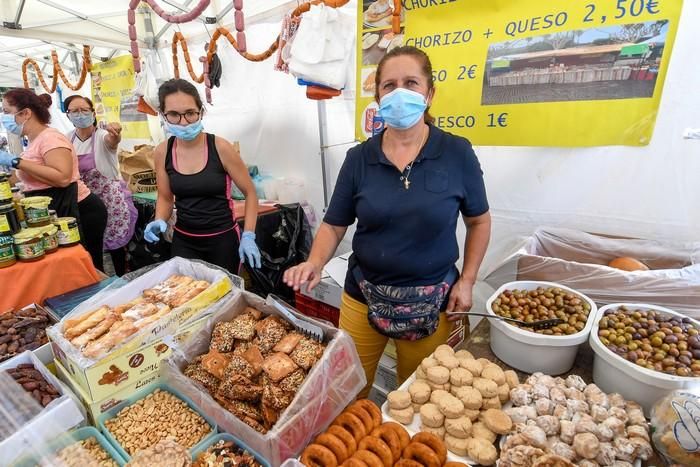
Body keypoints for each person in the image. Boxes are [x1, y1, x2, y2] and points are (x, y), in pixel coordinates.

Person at [284, 46, 492, 397]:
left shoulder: (457, 153)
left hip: (433, 301)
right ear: (378, 95)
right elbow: (335, 224)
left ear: (430, 93)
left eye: (411, 83)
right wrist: (314, 262)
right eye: (389, 85)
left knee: (420, 398)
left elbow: (479, 222)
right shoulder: (359, 159)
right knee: (347, 392)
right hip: (363, 295)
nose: (400, 93)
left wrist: (468, 280)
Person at [144, 78, 262, 273]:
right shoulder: (162, 152)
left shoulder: (221, 147)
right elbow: (165, 197)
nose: (183, 122)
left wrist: (249, 235)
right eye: (174, 114)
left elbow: (250, 193)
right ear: (163, 115)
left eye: (190, 113)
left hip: (223, 241)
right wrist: (159, 220)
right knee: (186, 297)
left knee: (226, 298)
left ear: (201, 111)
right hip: (184, 241)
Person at [64, 95, 137, 276]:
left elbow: (112, 142)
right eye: (74, 111)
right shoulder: (67, 140)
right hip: (85, 199)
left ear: (92, 112)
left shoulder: (102, 135)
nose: (80, 114)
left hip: (109, 198)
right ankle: (98, 279)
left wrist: (116, 134)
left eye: (84, 110)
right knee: (93, 243)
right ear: (68, 115)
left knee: (115, 244)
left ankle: (121, 277)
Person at [0, 89, 81, 220]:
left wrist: (16, 161)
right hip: (50, 208)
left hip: (73, 209)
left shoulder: (50, 138)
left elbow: (63, 178)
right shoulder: (34, 140)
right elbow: (29, 174)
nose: (3, 117)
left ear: (26, 113)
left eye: (6, 112)